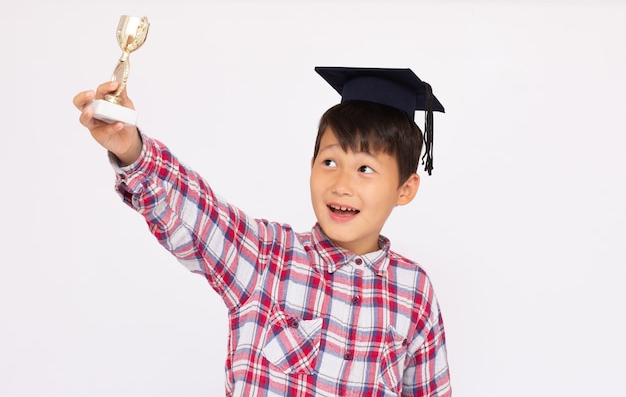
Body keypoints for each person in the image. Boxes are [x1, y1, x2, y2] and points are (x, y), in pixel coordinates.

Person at [73, 66, 452, 396]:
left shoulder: (414, 292)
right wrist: (132, 151)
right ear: (311, 164)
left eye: (365, 169)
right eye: (330, 161)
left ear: (405, 189)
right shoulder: (267, 257)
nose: (342, 184)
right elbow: (197, 213)